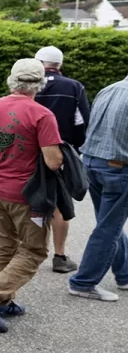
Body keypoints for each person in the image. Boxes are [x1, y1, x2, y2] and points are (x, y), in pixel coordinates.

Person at [0, 59, 63, 332]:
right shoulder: (42, 115)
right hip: (27, 196)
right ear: (39, 84)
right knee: (34, 250)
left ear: (11, 80)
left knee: (5, 246)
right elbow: (53, 161)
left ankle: (2, 301)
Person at [67, 74, 128, 302]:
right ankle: (83, 283)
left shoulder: (109, 88)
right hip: (117, 168)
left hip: (93, 162)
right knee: (108, 229)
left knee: (108, 224)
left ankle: (124, 274)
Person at [34, 46, 90, 274]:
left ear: (39, 63)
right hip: (61, 150)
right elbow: (82, 122)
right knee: (60, 204)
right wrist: (74, 147)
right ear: (60, 64)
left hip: (31, 150)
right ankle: (59, 255)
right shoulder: (74, 87)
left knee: (32, 200)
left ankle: (31, 250)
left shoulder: (30, 85)